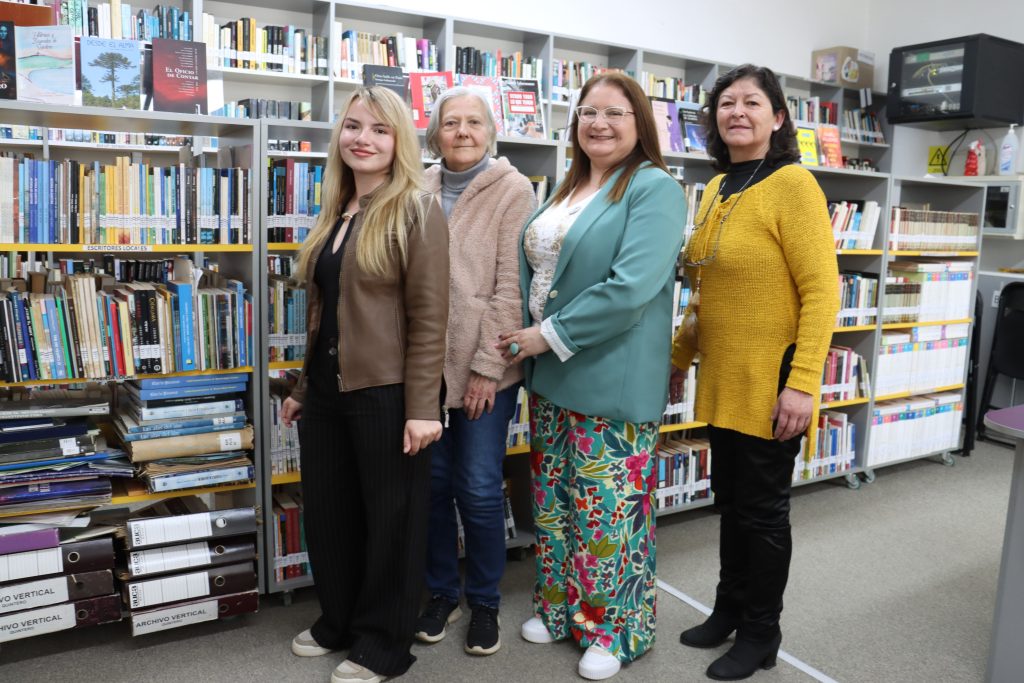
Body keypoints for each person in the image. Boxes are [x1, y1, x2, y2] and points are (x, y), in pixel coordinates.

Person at [497, 72, 686, 681]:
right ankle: (559, 610)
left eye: (614, 113)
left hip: (609, 373)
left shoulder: (654, 188)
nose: (598, 123)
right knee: (554, 504)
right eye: (588, 112)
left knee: (608, 510)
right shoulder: (568, 186)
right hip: (550, 374)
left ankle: (617, 629)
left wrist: (545, 335)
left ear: (640, 123)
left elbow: (630, 288)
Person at [670, 64, 840, 681]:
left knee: (764, 512)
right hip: (725, 377)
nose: (736, 112)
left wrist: (803, 383)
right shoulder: (718, 186)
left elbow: (822, 291)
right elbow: (705, 291)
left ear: (778, 117)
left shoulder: (794, 184)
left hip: (774, 379)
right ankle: (729, 610)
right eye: (726, 103)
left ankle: (762, 632)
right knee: (732, 503)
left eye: (751, 102)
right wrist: (678, 358)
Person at [278, 86, 449, 683]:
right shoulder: (337, 210)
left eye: (379, 129)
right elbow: (323, 314)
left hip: (388, 391)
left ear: (399, 141)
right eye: (353, 126)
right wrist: (302, 389)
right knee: (330, 514)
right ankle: (339, 621)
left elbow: (430, 317)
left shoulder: (417, 209)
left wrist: (423, 407)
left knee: (391, 523)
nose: (363, 139)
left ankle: (383, 643)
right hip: (328, 389)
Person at [414, 87, 538, 656]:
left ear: (490, 131)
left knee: (480, 488)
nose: (462, 132)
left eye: (473, 122)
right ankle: (443, 592)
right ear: (435, 134)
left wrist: (489, 366)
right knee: (432, 487)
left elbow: (513, 288)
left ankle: (485, 600)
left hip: (485, 367)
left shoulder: (514, 189)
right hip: (425, 368)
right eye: (450, 123)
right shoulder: (418, 186)